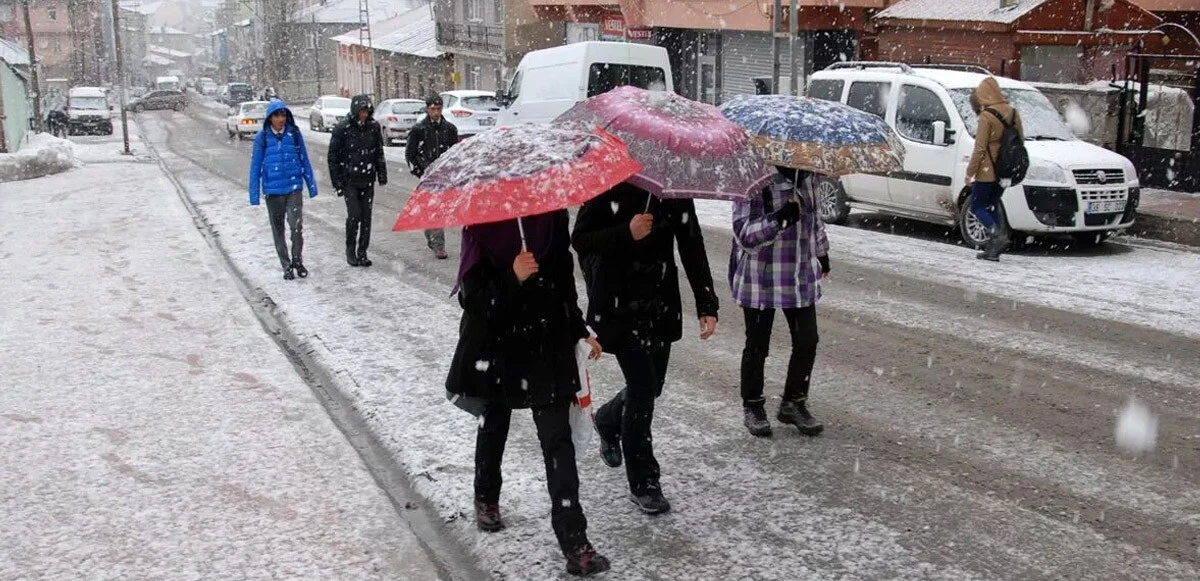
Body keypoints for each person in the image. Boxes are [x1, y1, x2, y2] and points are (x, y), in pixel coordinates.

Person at [446, 210, 610, 577]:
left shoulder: (551, 214)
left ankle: (575, 541)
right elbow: (474, 301)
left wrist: (579, 327)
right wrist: (512, 277)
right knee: (494, 426)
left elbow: (563, 277)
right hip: (499, 348)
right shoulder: (480, 224)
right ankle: (486, 496)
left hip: (546, 345)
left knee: (558, 442)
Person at [572, 184, 719, 515]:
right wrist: (626, 232)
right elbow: (580, 239)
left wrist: (707, 302)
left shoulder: (674, 188)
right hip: (619, 304)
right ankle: (644, 482)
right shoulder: (609, 182)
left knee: (653, 387)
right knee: (641, 390)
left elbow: (692, 244)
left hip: (660, 303)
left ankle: (608, 420)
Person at [730, 167, 830, 438]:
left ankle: (794, 402)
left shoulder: (811, 176)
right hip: (760, 275)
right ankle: (752, 405)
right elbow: (744, 235)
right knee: (757, 344)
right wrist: (779, 219)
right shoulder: (754, 177)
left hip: (799, 273)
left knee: (808, 340)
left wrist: (822, 252)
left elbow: (815, 219)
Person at [248, 99, 318, 280]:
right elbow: (255, 167)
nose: (281, 119)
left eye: (284, 115)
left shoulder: (293, 134)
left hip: (293, 188)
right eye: (277, 116)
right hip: (273, 192)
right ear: (270, 118)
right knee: (278, 230)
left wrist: (311, 185)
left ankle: (297, 261)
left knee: (296, 227)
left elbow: (304, 160)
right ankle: (286, 265)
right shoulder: (262, 138)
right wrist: (254, 195)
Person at [966, 77, 1024, 262]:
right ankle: (994, 246)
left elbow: (980, 148)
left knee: (977, 206)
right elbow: (1020, 141)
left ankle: (997, 236)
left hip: (987, 170)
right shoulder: (1013, 113)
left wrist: (970, 171)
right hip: (1005, 170)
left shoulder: (986, 116)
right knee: (992, 205)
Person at [328, 94, 387, 267]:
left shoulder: (373, 127)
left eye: (367, 111)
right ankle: (350, 249)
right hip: (350, 180)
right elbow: (333, 156)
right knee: (354, 216)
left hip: (367, 179)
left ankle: (362, 251)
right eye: (361, 111)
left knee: (366, 217)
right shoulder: (343, 128)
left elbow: (378, 152)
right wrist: (337, 182)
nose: (364, 114)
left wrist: (381, 173)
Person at [406, 95, 458, 259]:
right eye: (433, 109)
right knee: (433, 207)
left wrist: (452, 170)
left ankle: (436, 241)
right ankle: (436, 242)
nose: (436, 112)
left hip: (443, 175)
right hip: (427, 174)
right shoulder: (419, 129)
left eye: (439, 109)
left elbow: (455, 152)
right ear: (427, 109)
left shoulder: (449, 129)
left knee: (438, 208)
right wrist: (420, 171)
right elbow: (410, 154)